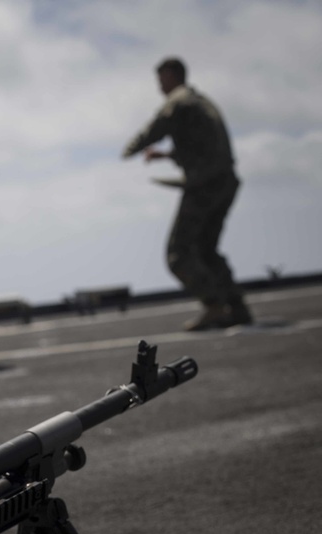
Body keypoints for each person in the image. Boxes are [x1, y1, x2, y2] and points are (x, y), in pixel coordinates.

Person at [122, 57, 253, 331]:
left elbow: (156, 126)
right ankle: (237, 308)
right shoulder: (201, 103)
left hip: (205, 185)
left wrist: (131, 149)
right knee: (206, 250)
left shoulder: (179, 101)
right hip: (225, 181)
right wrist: (167, 155)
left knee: (178, 253)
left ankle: (214, 305)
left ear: (172, 76)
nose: (159, 86)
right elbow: (203, 146)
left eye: (161, 79)